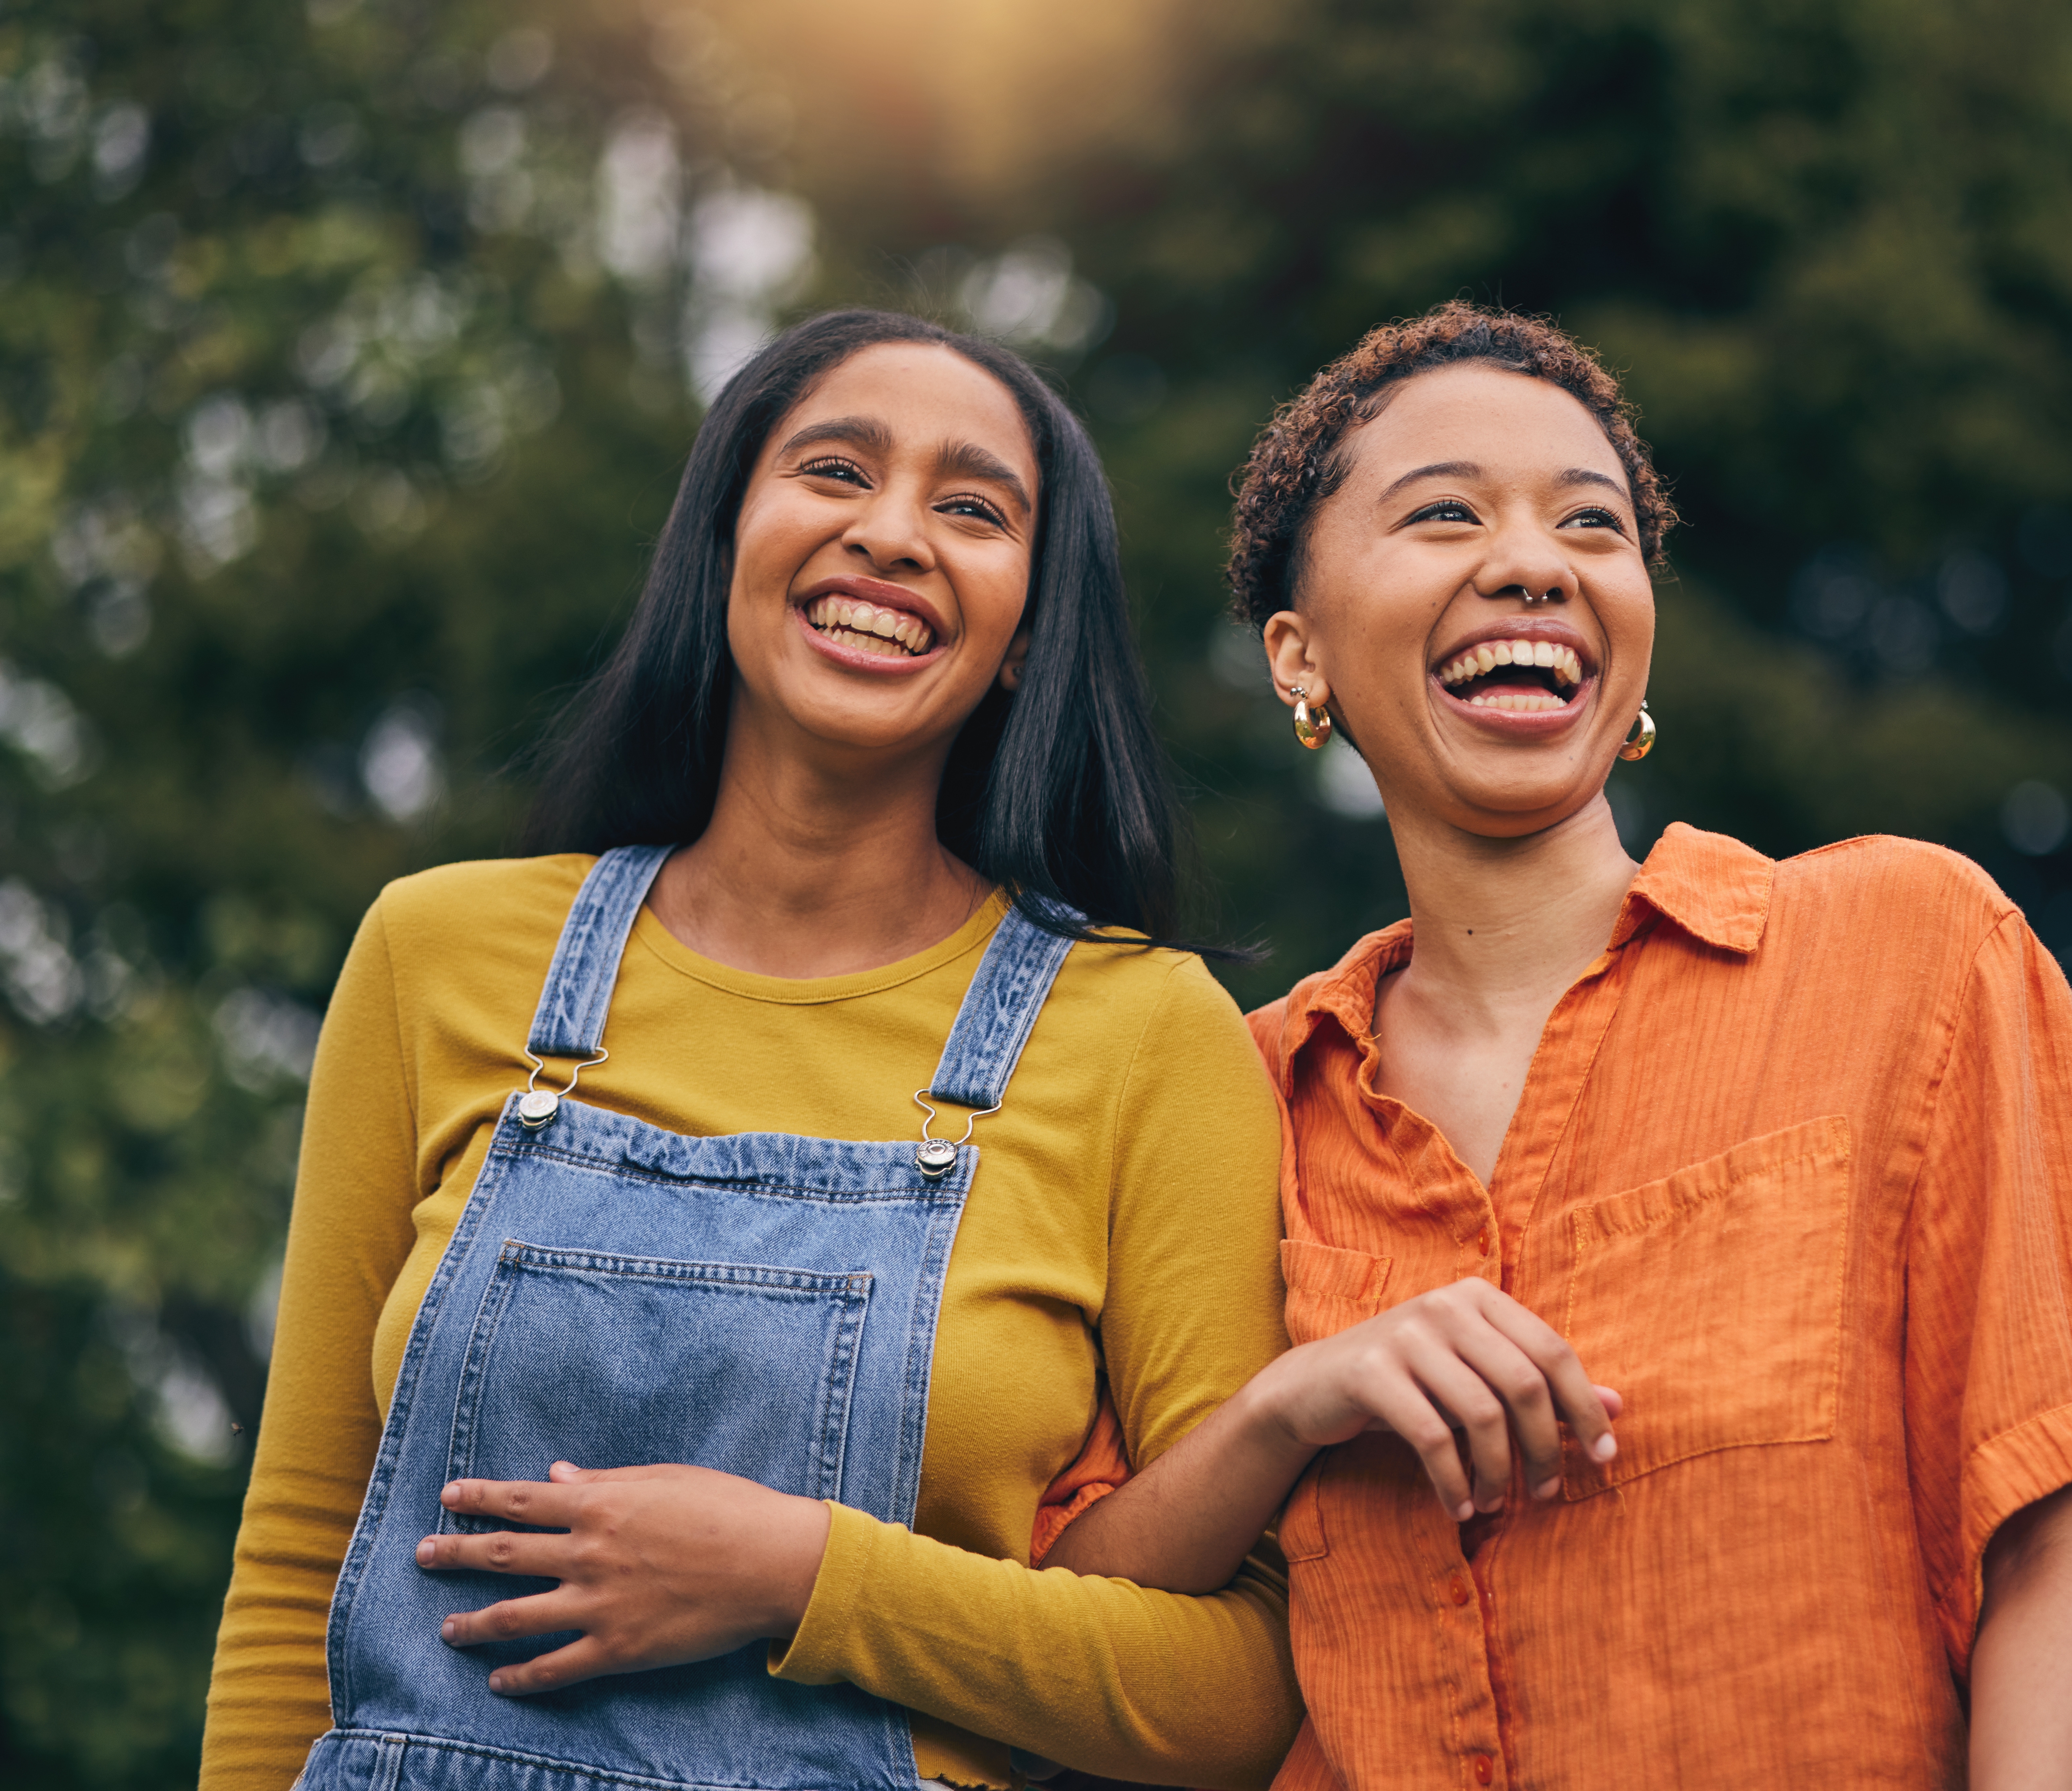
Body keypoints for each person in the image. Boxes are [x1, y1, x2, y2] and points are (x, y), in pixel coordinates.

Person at [1044, 304, 2072, 1789]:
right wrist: (1292, 1406)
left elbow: (2051, 1527)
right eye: (1445, 514)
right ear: (1299, 654)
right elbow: (1073, 1609)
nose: (1535, 562)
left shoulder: (1909, 952)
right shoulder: (1227, 1093)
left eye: (1592, 527)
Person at [201, 308, 1302, 1791]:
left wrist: (809, 1577)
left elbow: (1238, 1693)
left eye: (972, 509)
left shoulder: (1144, 1034)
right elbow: (297, 1568)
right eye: (834, 471)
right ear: (723, 536)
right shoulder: (440, 954)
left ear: (1028, 626)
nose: (894, 535)